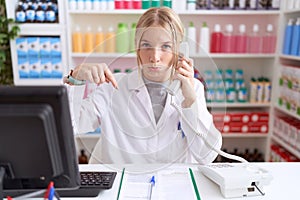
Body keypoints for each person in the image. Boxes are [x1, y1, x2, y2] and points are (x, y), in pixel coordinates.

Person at [65, 7, 222, 164]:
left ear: (179, 50)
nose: (154, 57)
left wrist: (190, 101)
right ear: (137, 47)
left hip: (173, 184)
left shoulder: (193, 89)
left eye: (166, 46)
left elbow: (206, 155)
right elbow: (69, 127)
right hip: (122, 183)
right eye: (146, 45)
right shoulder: (112, 87)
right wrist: (75, 79)